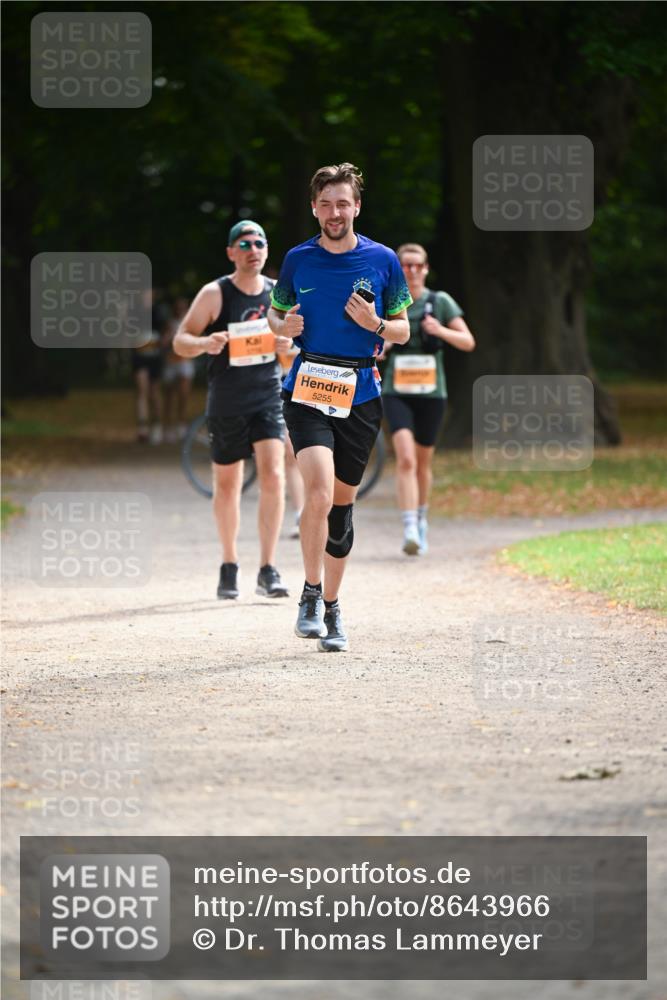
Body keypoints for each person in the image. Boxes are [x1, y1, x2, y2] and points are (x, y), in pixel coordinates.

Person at [268, 163, 411, 652]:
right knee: (319, 492)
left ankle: (332, 606)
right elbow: (275, 310)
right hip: (307, 385)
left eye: (342, 203)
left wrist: (375, 323)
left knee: (342, 510)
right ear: (314, 208)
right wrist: (280, 326)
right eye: (325, 204)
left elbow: (402, 330)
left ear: (357, 207)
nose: (334, 212)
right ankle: (308, 593)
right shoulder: (297, 259)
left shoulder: (384, 260)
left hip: (360, 392)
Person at [173, 220, 291, 600]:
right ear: (231, 252)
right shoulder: (215, 293)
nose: (253, 248)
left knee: (274, 474)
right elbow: (180, 341)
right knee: (228, 485)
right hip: (226, 400)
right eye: (244, 243)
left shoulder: (279, 296)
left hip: (268, 397)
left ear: (267, 250)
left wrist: (287, 350)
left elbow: (290, 357)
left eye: (259, 242)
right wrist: (205, 342)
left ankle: (268, 568)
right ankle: (229, 564)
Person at [381, 242, 475, 555]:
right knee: (405, 458)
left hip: (432, 393)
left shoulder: (440, 301)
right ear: (398, 269)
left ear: (426, 268)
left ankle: (421, 518)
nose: (411, 271)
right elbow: (374, 347)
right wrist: (385, 345)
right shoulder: (389, 302)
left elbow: (467, 341)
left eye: (417, 265)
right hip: (397, 392)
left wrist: (439, 330)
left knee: (423, 462)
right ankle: (409, 526)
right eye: (405, 265)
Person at [132, 291, 169, 444]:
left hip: (154, 358)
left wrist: (160, 345)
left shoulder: (159, 311)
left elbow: (167, 332)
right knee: (142, 390)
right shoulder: (134, 311)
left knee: (154, 393)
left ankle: (158, 426)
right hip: (140, 357)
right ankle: (143, 428)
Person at [162, 296, 195, 443]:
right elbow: (164, 342)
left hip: (185, 362)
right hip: (171, 362)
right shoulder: (170, 323)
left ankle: (181, 425)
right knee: (168, 396)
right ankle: (167, 427)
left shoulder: (192, 323)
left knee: (183, 395)